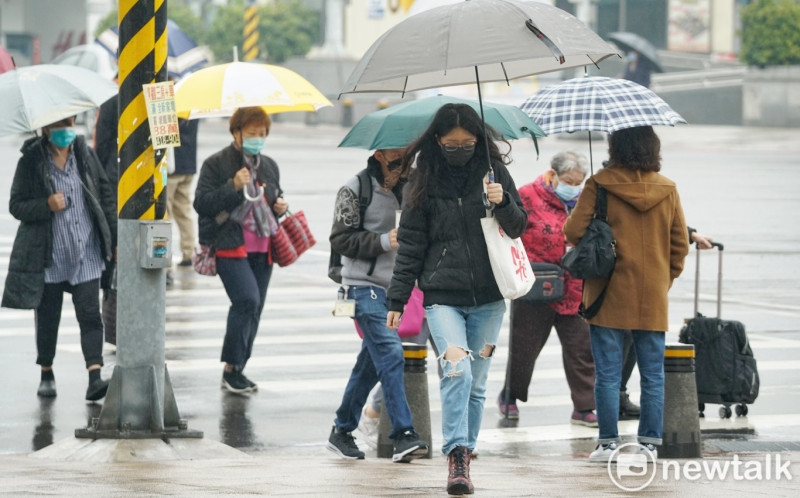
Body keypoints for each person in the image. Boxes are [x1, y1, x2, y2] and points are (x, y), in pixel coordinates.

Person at [386, 103, 527, 495]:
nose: (460, 148)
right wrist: (397, 300)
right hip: (442, 296)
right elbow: (411, 245)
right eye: (452, 143)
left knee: (478, 383)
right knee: (457, 371)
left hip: (490, 296)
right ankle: (457, 455)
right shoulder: (422, 180)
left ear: (479, 140)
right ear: (437, 140)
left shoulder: (495, 173)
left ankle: (467, 447)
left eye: (468, 142)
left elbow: (520, 228)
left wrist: (504, 202)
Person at [563, 125, 689, 463]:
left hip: (607, 292)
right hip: (653, 295)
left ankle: (607, 444)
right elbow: (679, 246)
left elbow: (573, 232)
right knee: (652, 374)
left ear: (615, 147)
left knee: (607, 373)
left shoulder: (599, 183)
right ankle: (649, 444)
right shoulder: (668, 188)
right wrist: (663, 281)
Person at [2, 116, 117, 401]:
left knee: (90, 315)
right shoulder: (31, 161)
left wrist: (113, 238)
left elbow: (105, 195)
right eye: (59, 125)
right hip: (50, 254)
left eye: (69, 123)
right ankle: (46, 372)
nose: (66, 130)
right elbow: (16, 205)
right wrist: (46, 205)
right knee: (48, 316)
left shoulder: (84, 154)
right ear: (45, 130)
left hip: (86, 250)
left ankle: (94, 376)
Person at [326, 147, 429, 463]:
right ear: (381, 154)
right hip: (362, 286)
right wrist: (386, 240)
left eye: (408, 152)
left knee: (370, 363)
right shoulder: (354, 189)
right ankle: (402, 434)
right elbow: (340, 240)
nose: (404, 159)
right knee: (390, 351)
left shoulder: (413, 188)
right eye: (397, 153)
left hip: (397, 290)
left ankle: (341, 430)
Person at [497, 151, 597, 427]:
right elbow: (509, 231)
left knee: (581, 349)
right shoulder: (527, 195)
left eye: (580, 181)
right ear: (552, 174)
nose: (574, 186)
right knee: (523, 348)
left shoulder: (587, 200)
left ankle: (584, 407)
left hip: (576, 288)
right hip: (536, 286)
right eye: (569, 180)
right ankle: (510, 396)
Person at [193, 106, 288, 394]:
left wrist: (280, 205)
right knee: (246, 300)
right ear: (236, 132)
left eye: (262, 134)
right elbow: (202, 204)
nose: (257, 138)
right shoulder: (217, 163)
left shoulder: (269, 165)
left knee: (255, 307)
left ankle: (239, 367)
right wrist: (232, 185)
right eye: (251, 133)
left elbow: (274, 197)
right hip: (230, 243)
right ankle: (231, 367)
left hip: (263, 247)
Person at [617, 226, 714, 420]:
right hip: (635, 276)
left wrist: (691, 234)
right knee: (629, 343)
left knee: (629, 341)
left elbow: (667, 219)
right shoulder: (656, 196)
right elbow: (668, 221)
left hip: (626, 275)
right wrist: (667, 276)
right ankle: (616, 404)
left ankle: (616, 401)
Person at [167, 118, 200, 267]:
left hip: (171, 166)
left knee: (165, 213)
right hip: (188, 164)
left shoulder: (169, 107)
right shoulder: (190, 106)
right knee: (184, 211)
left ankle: (164, 259)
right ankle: (188, 253)